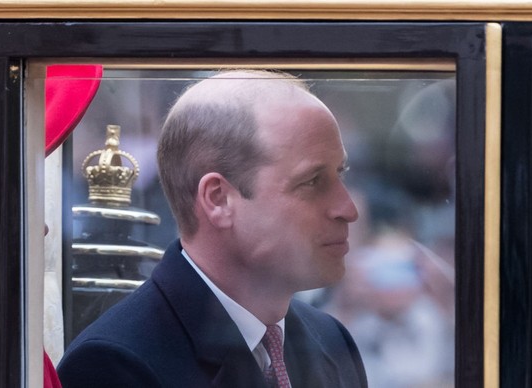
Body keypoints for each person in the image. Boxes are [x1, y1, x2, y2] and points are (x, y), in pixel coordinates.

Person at [57, 70, 367, 388]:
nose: (348, 209)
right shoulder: (114, 365)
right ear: (218, 200)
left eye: (340, 173)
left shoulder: (331, 340)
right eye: (313, 181)